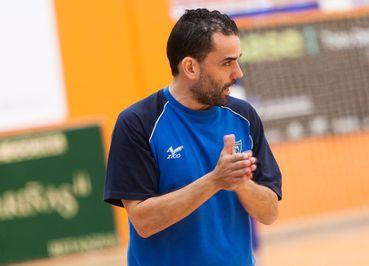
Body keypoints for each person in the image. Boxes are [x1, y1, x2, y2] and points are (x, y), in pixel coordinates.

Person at [104, 8, 282, 266]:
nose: (238, 73)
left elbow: (270, 213)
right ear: (190, 67)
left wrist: (241, 184)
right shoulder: (138, 123)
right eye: (227, 63)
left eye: (237, 61)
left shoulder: (243, 116)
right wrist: (215, 180)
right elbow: (143, 221)